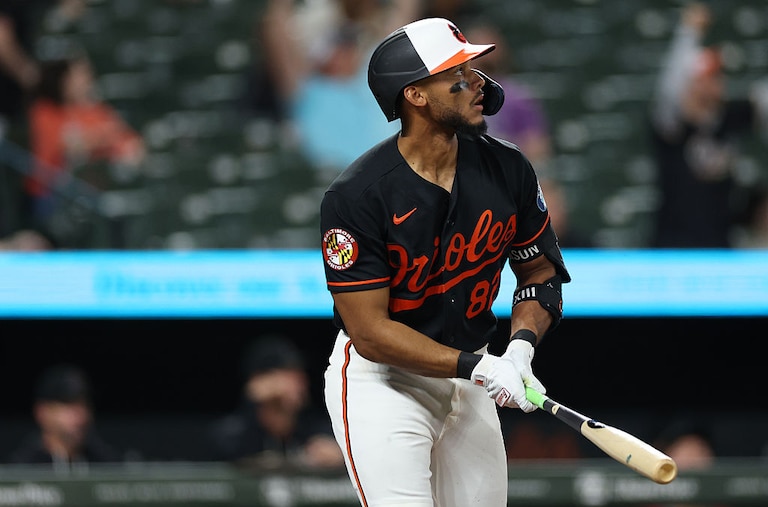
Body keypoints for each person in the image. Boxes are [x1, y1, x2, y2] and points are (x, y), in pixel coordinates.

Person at [320, 17, 570, 506]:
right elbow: (369, 332)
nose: (478, 81)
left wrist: (520, 348)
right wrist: (477, 366)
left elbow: (540, 274)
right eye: (458, 71)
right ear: (415, 95)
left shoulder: (507, 167)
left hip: (471, 374)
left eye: (473, 68)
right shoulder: (357, 195)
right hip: (384, 381)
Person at [649, 1, 768, 248]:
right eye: (704, 79)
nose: (712, 85)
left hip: (720, 250)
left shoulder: (731, 117)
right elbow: (668, 88)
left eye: (717, 77)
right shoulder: (672, 126)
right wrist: (690, 30)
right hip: (671, 248)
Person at [23, 50, 145, 224]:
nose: (86, 80)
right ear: (61, 79)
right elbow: (67, 146)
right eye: (78, 75)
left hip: (93, 193)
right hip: (51, 193)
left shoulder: (96, 110)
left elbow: (131, 142)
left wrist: (104, 142)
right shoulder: (44, 110)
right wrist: (104, 139)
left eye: (86, 74)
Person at [207, 335, 344, 469]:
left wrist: (339, 454)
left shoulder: (314, 426)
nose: (298, 383)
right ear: (258, 381)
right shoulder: (235, 432)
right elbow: (223, 450)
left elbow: (338, 446)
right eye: (287, 374)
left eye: (298, 374)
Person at [7, 363, 123, 469]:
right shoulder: (21, 468)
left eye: (85, 405)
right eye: (69, 407)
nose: (81, 417)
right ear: (42, 412)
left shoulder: (107, 463)